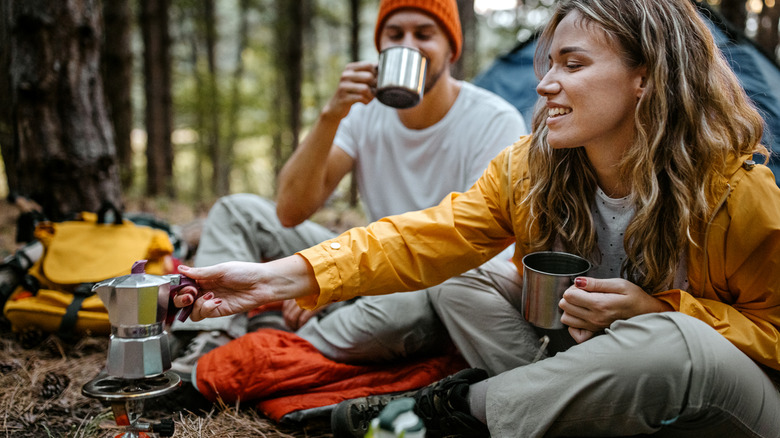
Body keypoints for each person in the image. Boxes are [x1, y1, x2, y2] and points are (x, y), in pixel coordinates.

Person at [173, 0, 780, 436]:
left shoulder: (734, 192)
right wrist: (278, 278)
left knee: (672, 343)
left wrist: (662, 308)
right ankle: (541, 408)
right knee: (457, 273)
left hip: (718, 403)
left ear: (644, 77)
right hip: (578, 368)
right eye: (549, 64)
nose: (545, 84)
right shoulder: (533, 170)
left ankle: (440, 417)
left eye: (572, 65)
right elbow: (424, 237)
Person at [168, 0, 528, 380]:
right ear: (380, 47)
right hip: (363, 259)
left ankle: (274, 343)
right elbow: (289, 212)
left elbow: (482, 253)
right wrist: (331, 115)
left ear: (451, 50)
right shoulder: (364, 111)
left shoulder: (493, 120)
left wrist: (328, 286)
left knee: (404, 313)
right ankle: (208, 339)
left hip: (428, 282)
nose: (408, 45)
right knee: (237, 211)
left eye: (424, 35)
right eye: (394, 35)